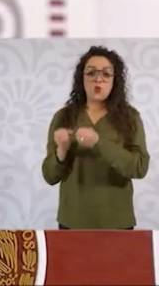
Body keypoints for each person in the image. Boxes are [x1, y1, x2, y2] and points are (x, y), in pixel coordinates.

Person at [42, 45, 150, 229]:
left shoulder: (131, 117)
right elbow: (49, 176)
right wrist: (61, 151)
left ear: (115, 80)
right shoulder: (63, 116)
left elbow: (139, 168)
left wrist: (99, 143)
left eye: (106, 74)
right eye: (91, 73)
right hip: (72, 222)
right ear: (81, 78)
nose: (98, 79)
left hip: (117, 222)